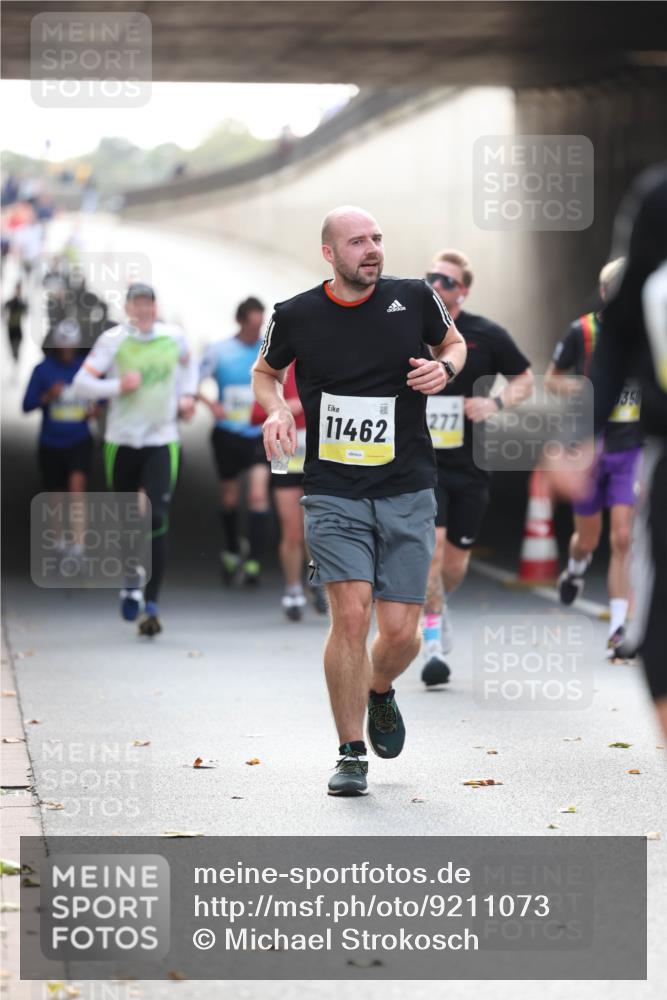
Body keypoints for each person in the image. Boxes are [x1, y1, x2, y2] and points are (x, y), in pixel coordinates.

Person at [252, 205, 467, 796]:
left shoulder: (415, 297)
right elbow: (265, 371)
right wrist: (275, 409)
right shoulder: (295, 314)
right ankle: (350, 754)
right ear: (329, 253)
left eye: (377, 239)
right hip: (333, 488)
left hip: (407, 483)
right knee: (350, 615)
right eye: (357, 242)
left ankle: (380, 693)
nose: (372, 250)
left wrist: (445, 369)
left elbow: (454, 341)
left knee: (402, 634)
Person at [542, 164, 667, 737]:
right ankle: (624, 623)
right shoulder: (658, 200)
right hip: (650, 455)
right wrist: (584, 434)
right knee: (613, 546)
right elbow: (616, 334)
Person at [421, 251, 533, 685]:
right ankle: (431, 645)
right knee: (431, 552)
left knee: (454, 566)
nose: (436, 285)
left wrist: (494, 402)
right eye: (430, 277)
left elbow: (523, 377)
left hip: (469, 466)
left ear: (462, 290)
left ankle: (438, 605)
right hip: (422, 466)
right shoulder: (410, 329)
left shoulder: (486, 334)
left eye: (446, 281)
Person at [73, 282, 197, 637]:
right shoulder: (113, 340)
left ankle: (153, 601)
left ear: (156, 308)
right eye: (137, 304)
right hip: (122, 441)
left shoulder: (174, 337)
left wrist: (186, 396)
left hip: (162, 440)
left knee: (157, 514)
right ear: (128, 308)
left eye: (149, 304)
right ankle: (130, 581)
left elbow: (188, 369)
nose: (143, 310)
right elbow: (81, 384)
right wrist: (116, 387)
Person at [545, 258, 643, 658]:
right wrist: (586, 392)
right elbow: (552, 378)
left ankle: (619, 629)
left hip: (630, 447)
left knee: (623, 537)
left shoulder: (651, 329)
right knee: (589, 539)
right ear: (605, 294)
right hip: (588, 448)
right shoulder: (582, 331)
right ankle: (576, 567)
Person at [199, 297, 270, 587]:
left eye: (261, 325)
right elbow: (191, 381)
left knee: (257, 496)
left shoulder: (268, 349)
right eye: (253, 325)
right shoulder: (219, 351)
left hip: (257, 434)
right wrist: (209, 404)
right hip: (227, 434)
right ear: (240, 322)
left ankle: (252, 559)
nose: (258, 331)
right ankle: (231, 548)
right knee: (229, 497)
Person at [250, 362, 328, 620]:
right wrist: (285, 408)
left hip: (320, 448)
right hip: (286, 450)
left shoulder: (327, 356)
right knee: (291, 529)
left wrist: (304, 407)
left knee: (316, 526)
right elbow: (255, 415)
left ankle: (315, 581)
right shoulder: (277, 364)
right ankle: (293, 589)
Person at [22, 319, 94, 570]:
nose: (67, 353)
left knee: (77, 491)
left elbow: (101, 399)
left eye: (71, 347)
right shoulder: (42, 371)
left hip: (79, 441)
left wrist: (94, 408)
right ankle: (59, 541)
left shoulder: (85, 369)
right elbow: (27, 405)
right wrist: (47, 396)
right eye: (63, 347)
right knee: (56, 496)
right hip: (51, 442)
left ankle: (79, 545)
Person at [4, 282, 27, 367]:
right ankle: (14, 355)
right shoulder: (11, 301)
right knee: (12, 343)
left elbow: (25, 310)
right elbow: (5, 308)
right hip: (11, 327)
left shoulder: (21, 302)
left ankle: (16, 355)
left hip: (17, 326)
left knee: (18, 341)